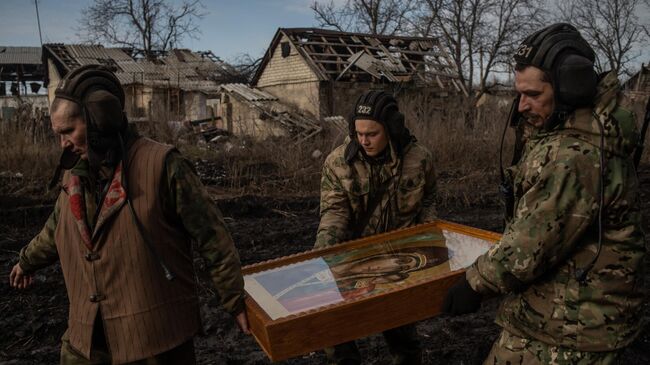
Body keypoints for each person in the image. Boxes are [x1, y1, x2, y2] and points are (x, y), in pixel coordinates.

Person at [8, 65, 249, 365]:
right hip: (86, 346)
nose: (63, 144)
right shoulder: (74, 176)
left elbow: (213, 237)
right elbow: (56, 228)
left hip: (154, 343)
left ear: (100, 120)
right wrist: (26, 261)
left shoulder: (163, 165)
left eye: (69, 131)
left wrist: (234, 300)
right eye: (58, 134)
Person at [442, 23, 646, 364]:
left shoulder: (575, 156)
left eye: (533, 95)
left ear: (571, 90)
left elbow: (530, 246)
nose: (521, 106)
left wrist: (474, 284)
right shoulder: (566, 133)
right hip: (563, 311)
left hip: (575, 326)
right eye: (519, 93)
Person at [315, 90, 437, 365]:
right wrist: (321, 260)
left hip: (398, 261)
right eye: (358, 133)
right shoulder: (338, 163)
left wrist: (429, 244)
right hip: (352, 260)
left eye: (372, 134)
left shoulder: (419, 159)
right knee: (336, 336)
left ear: (391, 129)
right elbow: (333, 213)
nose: (363, 140)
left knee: (404, 341)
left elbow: (428, 198)